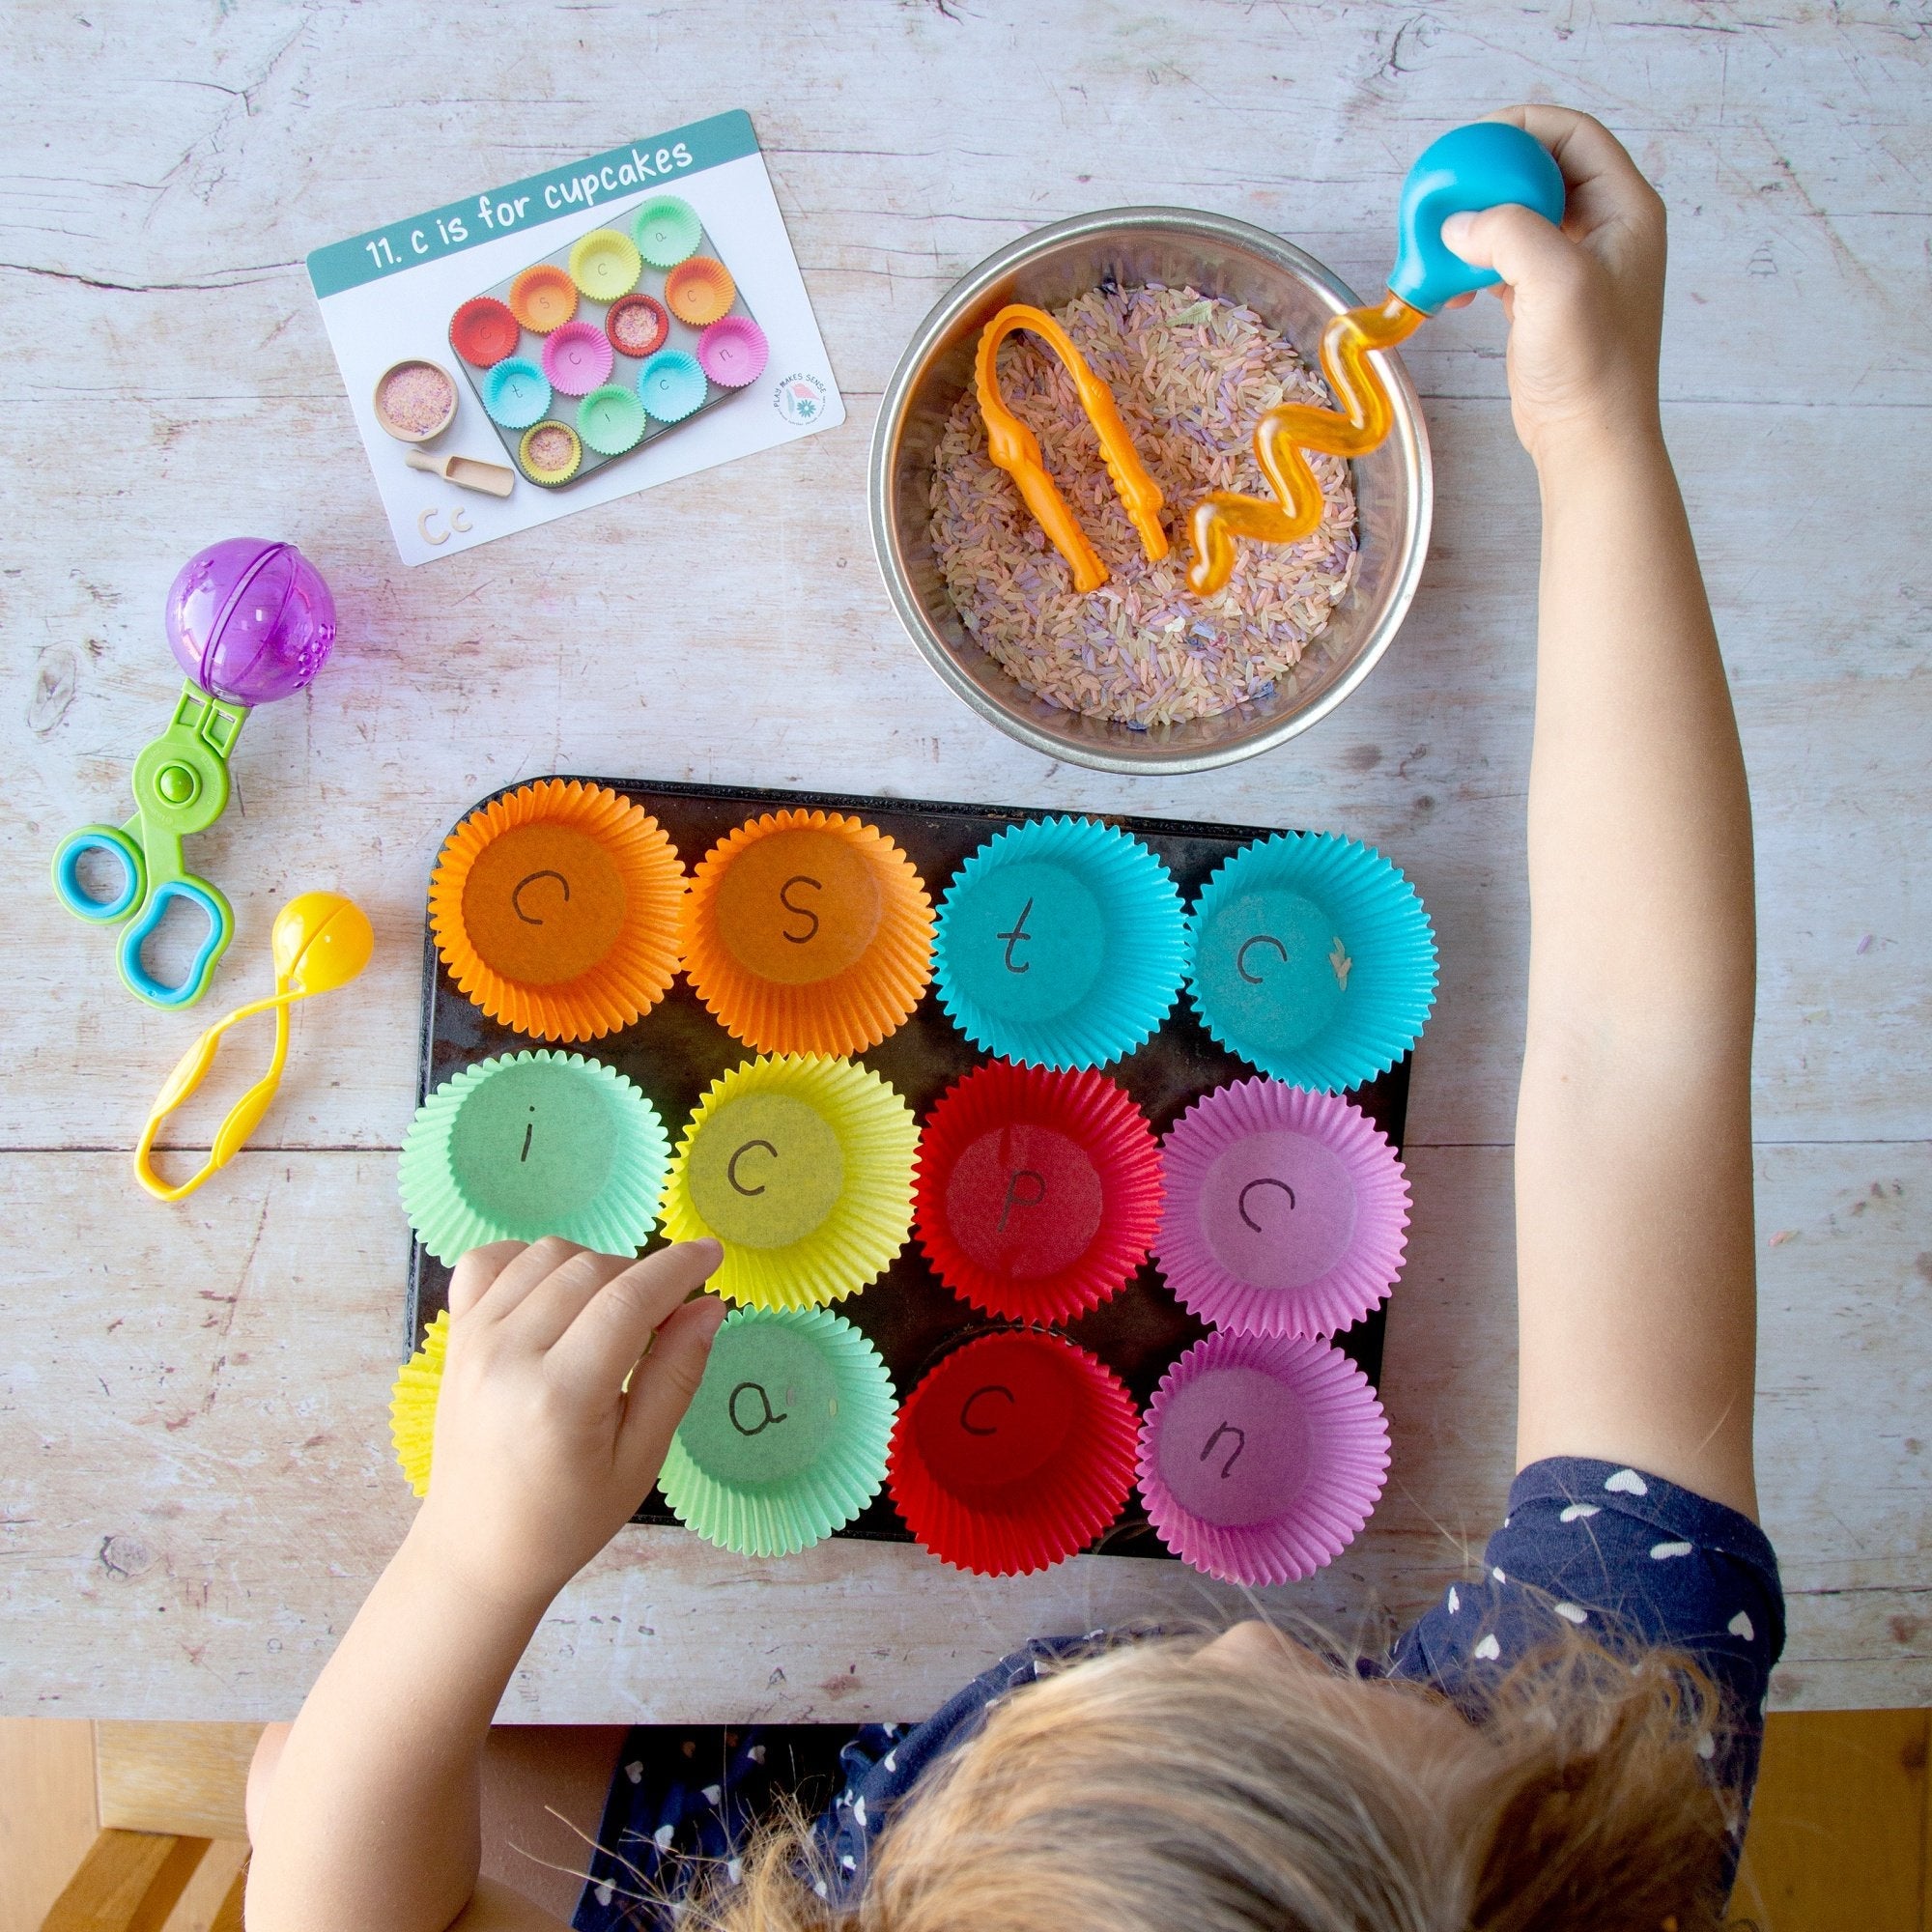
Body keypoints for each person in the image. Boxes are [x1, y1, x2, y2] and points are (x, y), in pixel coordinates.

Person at [243, 103, 1779, 1932]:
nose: (1243, 1653)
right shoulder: (1593, 1786)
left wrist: (479, 1561)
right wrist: (1597, 434)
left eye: (1206, 1706)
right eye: (1365, 1697)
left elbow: (324, 1901)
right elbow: (1644, 1052)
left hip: (816, 1833)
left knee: (300, 1777)